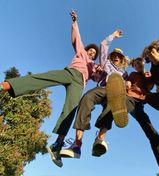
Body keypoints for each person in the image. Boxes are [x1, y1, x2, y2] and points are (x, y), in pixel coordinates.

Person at [0, 10, 100, 167]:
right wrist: (74, 22)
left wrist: (101, 70)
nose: (92, 53)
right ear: (87, 50)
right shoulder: (81, 51)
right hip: (69, 72)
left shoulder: (93, 66)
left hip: (79, 83)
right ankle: (5, 86)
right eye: (91, 51)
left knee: (71, 109)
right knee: (43, 78)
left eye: (94, 54)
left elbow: (99, 77)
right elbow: (77, 39)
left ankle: (58, 144)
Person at [92, 57, 159, 175]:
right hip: (129, 98)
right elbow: (128, 82)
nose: (137, 65)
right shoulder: (133, 74)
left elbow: (158, 84)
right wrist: (127, 83)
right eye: (135, 64)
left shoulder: (150, 75)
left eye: (139, 63)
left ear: (143, 63)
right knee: (117, 105)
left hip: (140, 107)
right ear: (134, 67)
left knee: (154, 137)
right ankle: (100, 138)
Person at [59, 29, 129, 159]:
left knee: (113, 106)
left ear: (122, 59)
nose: (116, 57)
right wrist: (113, 35)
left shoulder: (125, 74)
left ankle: (100, 139)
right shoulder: (106, 63)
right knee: (86, 98)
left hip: (115, 93)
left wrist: (128, 84)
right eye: (114, 55)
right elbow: (103, 46)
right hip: (102, 88)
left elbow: (127, 85)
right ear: (111, 57)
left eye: (118, 56)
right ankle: (77, 144)